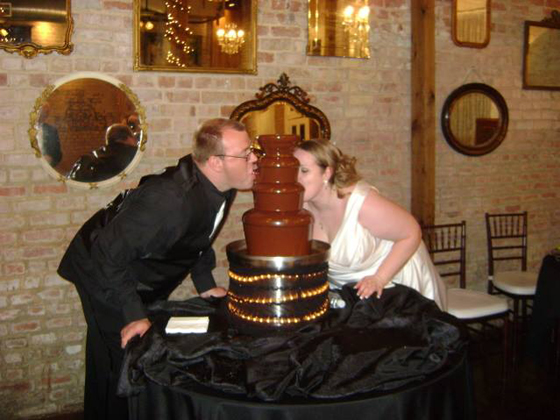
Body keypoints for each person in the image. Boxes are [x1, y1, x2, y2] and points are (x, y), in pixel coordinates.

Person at [57, 118, 258, 420]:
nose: (254, 159)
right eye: (246, 154)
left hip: (129, 266)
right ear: (216, 162)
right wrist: (134, 315)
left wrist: (204, 282)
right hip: (99, 266)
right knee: (125, 353)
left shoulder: (222, 184)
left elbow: (200, 236)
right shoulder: (168, 200)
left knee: (124, 348)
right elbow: (108, 254)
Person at [294, 139, 447, 310]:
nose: (296, 178)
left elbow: (412, 232)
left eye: (304, 171)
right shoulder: (301, 208)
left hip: (394, 287)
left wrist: (380, 278)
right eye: (293, 170)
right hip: (350, 298)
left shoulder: (361, 203)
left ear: (327, 173)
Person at [67, 123, 139, 182]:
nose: (136, 141)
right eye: (133, 137)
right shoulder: (135, 155)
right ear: (128, 138)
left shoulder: (89, 158)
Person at [38, 103, 62, 167]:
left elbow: (58, 154)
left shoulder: (52, 130)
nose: (45, 115)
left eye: (47, 112)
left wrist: (51, 159)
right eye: (43, 112)